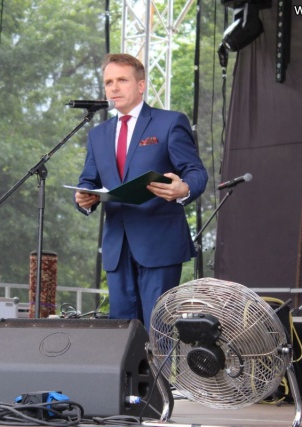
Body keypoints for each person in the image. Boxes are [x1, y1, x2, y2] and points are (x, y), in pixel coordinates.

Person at [74, 53, 207, 330]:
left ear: (141, 85)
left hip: (160, 243)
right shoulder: (98, 135)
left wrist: (183, 188)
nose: (114, 87)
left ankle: (159, 363)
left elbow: (196, 172)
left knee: (157, 331)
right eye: (108, 82)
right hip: (117, 247)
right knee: (122, 333)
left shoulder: (170, 122)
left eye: (122, 80)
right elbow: (88, 180)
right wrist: (84, 198)